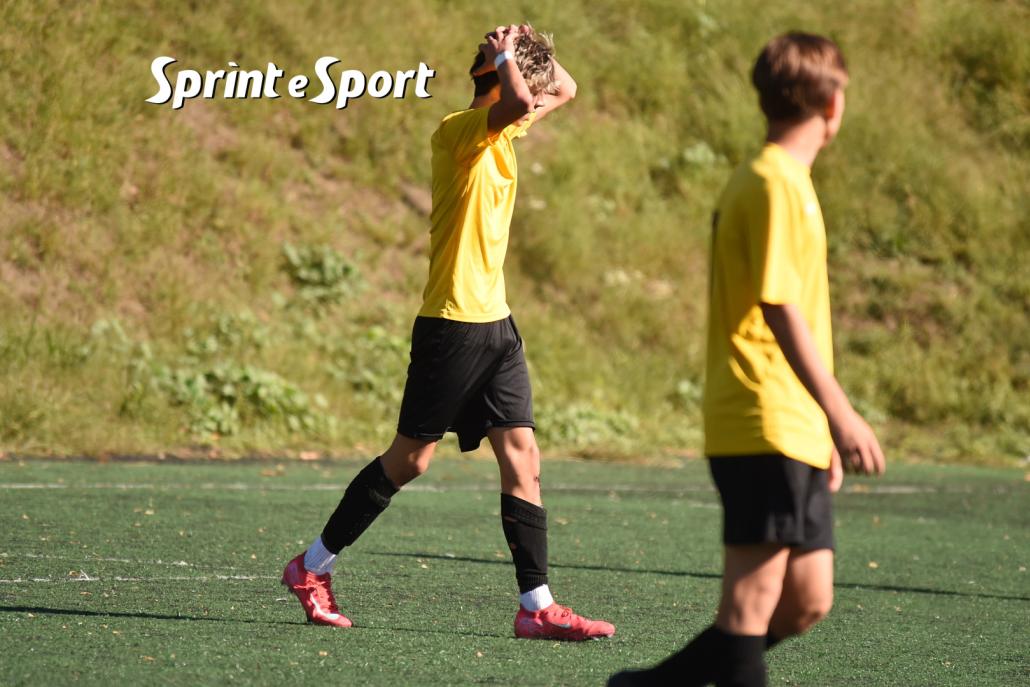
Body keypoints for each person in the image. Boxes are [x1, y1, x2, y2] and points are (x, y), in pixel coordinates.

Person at [282, 23, 615, 641]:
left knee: (523, 458)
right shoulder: (460, 131)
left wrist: (525, 47)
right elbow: (522, 97)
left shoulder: (508, 127)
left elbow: (564, 88)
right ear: (499, 80)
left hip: (497, 327)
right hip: (451, 325)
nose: (532, 102)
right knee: (409, 461)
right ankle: (312, 566)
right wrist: (510, 59)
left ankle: (536, 606)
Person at [609, 32, 886, 686]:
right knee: (748, 606)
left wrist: (819, 429)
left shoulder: (789, 182)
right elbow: (779, 307)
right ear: (831, 102)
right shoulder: (771, 182)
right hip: (762, 417)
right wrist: (840, 413)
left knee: (806, 600)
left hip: (793, 422)